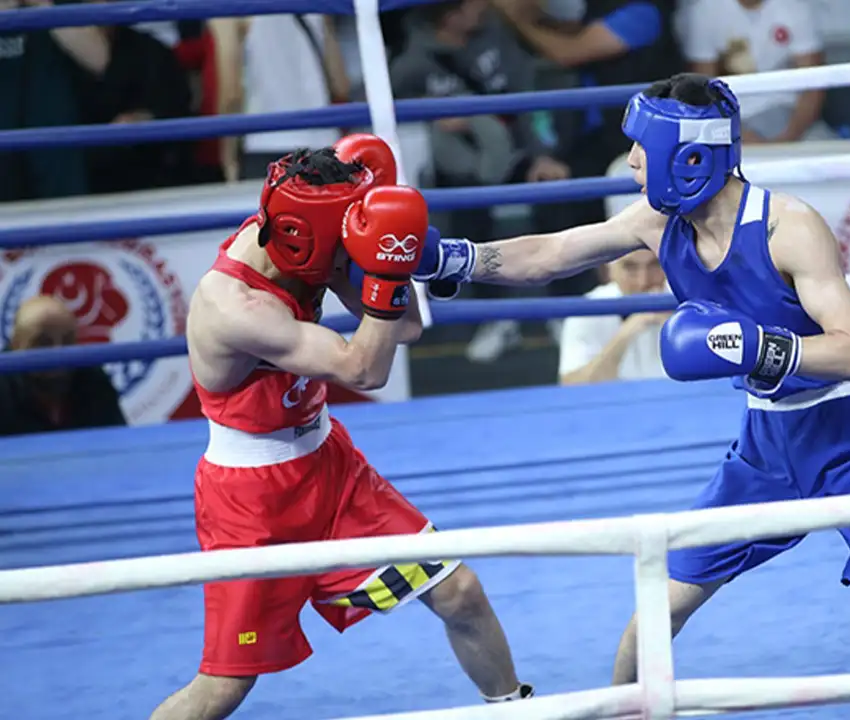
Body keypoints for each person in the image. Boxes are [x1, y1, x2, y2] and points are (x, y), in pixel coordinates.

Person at [408, 73, 850, 720]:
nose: (632, 161)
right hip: (768, 445)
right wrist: (456, 260)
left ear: (690, 158)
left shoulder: (789, 227)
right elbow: (553, 253)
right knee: (656, 611)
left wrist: (760, 348)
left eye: (643, 147)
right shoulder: (657, 223)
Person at [150, 134, 533, 720]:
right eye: (343, 245)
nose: (345, 257)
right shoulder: (235, 307)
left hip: (331, 469)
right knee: (225, 686)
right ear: (307, 238)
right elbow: (365, 368)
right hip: (252, 504)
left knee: (459, 592)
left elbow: (405, 328)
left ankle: (516, 710)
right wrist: (383, 270)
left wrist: (387, 252)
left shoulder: (304, 239)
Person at [0, 295, 126, 437]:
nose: (58, 355)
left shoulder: (93, 378)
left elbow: (120, 442)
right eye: (43, 343)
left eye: (67, 341)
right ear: (16, 345)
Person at [558, 249, 668, 385]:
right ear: (609, 270)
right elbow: (571, 387)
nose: (643, 281)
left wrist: (678, 329)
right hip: (616, 399)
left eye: (654, 264)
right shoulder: (586, 310)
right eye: (630, 267)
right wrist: (624, 336)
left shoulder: (686, 303)